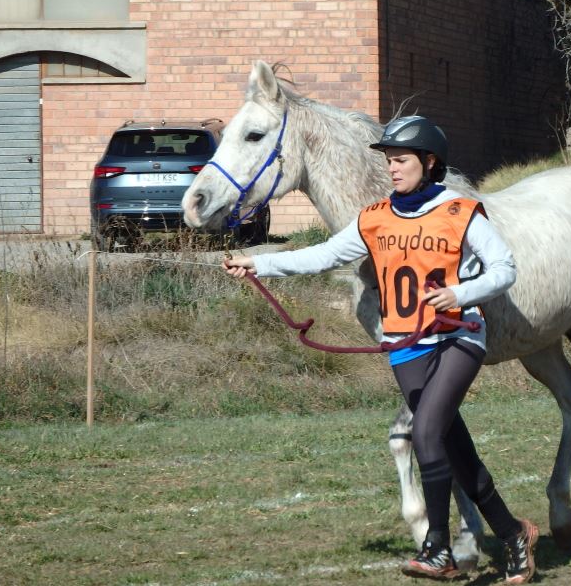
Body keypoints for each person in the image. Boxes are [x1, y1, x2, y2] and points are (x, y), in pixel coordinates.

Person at [223, 115, 538, 584]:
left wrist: (462, 293)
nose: (392, 168)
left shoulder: (460, 212)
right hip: (405, 346)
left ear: (430, 163)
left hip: (457, 338)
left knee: (427, 432)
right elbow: (324, 254)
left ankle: (438, 548)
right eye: (389, 160)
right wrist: (259, 264)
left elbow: (504, 268)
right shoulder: (376, 217)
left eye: (401, 160)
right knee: (455, 449)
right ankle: (513, 534)